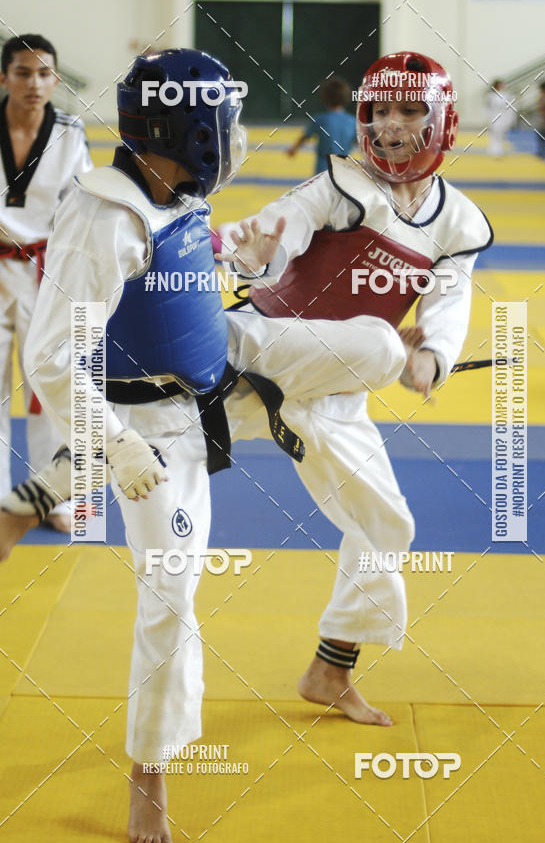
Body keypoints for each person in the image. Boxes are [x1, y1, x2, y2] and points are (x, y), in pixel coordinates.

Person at [2, 50, 493, 739]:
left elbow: (450, 295)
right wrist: (261, 249)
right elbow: (283, 223)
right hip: (267, 353)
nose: (390, 126)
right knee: (161, 435)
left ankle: (332, 666)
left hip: (335, 391)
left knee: (388, 526)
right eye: (379, 111)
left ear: (442, 122)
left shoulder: (459, 223)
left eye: (409, 111)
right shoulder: (339, 184)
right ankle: (50, 488)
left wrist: (437, 354)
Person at [0, 34, 92, 531]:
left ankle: (52, 495)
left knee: (50, 383)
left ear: (55, 78)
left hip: (44, 270)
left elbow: (82, 207)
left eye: (43, 73)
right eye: (22, 72)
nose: (34, 83)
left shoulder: (70, 132)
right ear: (3, 77)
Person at [287, 75, 355, 173]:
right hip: (343, 169)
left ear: (325, 97)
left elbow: (305, 136)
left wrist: (293, 149)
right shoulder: (352, 121)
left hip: (322, 169)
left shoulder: (319, 120)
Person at [486, 79, 516, 157]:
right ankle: (494, 151)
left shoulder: (506, 95)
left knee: (502, 135)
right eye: (501, 85)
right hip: (495, 118)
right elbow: (493, 106)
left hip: (503, 118)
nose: (503, 86)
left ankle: (499, 150)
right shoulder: (491, 96)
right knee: (494, 135)